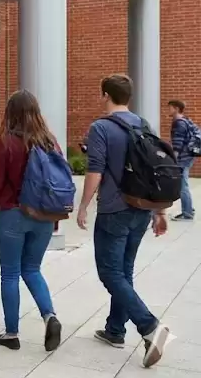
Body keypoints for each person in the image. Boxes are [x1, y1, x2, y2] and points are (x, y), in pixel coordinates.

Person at [76, 74, 171, 368]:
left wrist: (83, 206)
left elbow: (95, 171)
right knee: (124, 271)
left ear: (105, 95)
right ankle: (115, 330)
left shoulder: (101, 127)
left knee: (110, 273)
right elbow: (153, 168)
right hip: (140, 208)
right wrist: (159, 211)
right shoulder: (143, 124)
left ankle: (150, 326)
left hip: (114, 210)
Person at [0, 90, 62, 352]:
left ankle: (11, 333)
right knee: (32, 269)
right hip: (44, 216)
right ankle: (49, 316)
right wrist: (55, 219)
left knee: (10, 273)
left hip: (13, 214)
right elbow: (57, 182)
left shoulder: (6, 143)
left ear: (11, 112)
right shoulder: (50, 141)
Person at [169, 99, 196, 221]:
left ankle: (187, 213)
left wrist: (173, 160)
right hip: (188, 156)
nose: (168, 110)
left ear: (176, 108)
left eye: (170, 107)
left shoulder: (179, 123)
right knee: (184, 183)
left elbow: (177, 144)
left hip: (182, 158)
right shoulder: (185, 120)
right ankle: (189, 209)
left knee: (182, 185)